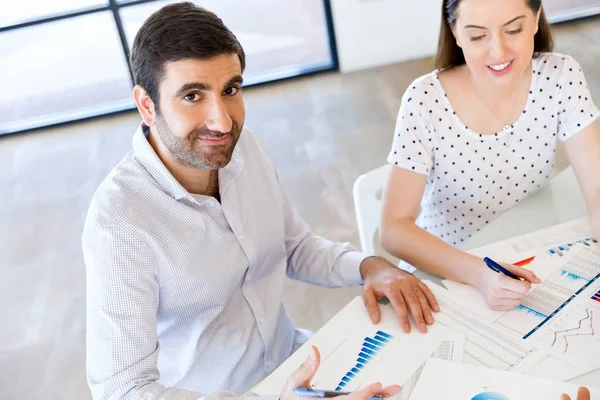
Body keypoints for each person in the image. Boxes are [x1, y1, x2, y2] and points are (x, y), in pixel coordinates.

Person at [82, 2, 437, 399]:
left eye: (230, 90)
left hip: (299, 365)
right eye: (193, 95)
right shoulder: (119, 223)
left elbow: (294, 247)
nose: (222, 121)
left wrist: (369, 266)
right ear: (147, 105)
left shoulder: (242, 147)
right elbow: (122, 389)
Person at [380, 0, 600, 310]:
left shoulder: (560, 75)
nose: (498, 52)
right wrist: (479, 274)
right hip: (445, 273)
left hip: (531, 261)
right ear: (455, 32)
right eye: (477, 36)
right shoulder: (424, 100)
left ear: (536, 18)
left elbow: (596, 189)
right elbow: (393, 230)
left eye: (513, 29)